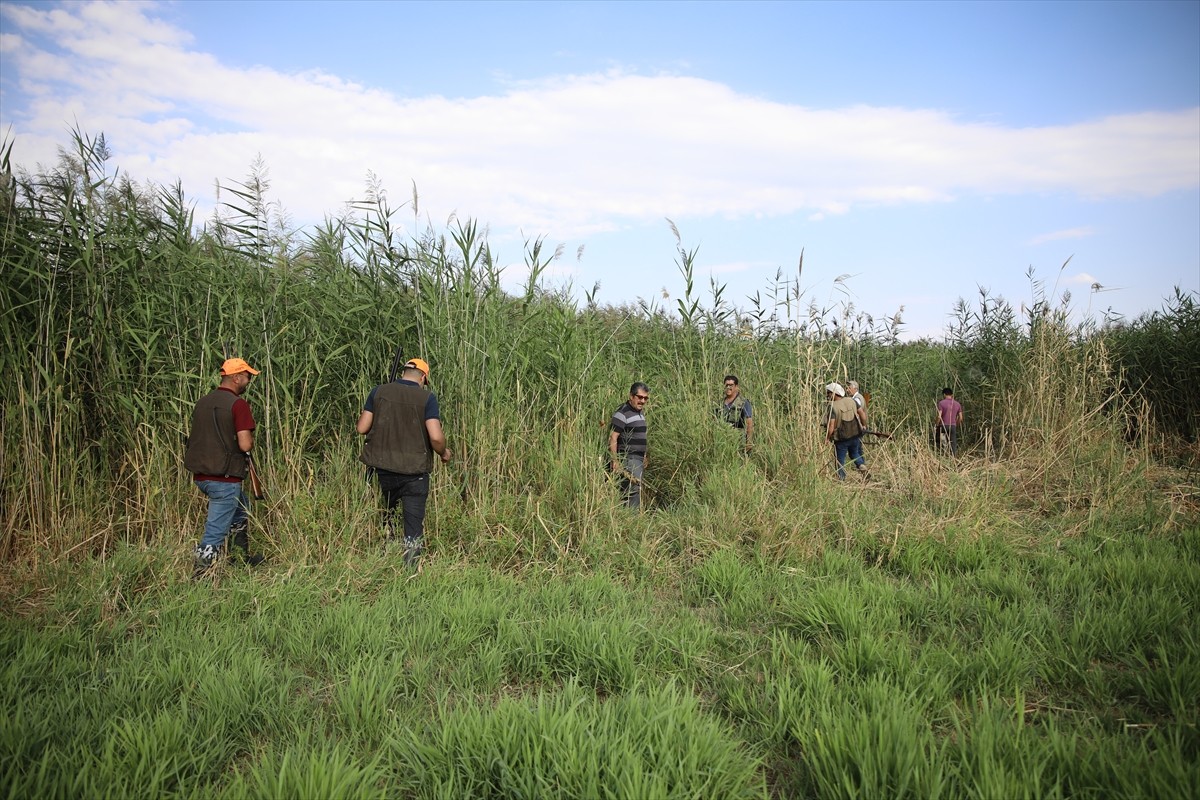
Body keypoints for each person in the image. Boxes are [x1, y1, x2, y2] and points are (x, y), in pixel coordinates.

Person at [357, 358, 451, 570]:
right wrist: (444, 452)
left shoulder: (378, 391)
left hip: (381, 469)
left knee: (385, 516)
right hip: (414, 471)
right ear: (423, 378)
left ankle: (381, 560)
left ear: (403, 373)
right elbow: (435, 437)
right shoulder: (427, 398)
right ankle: (410, 567)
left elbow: (362, 428)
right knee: (413, 524)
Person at [183, 357, 265, 577]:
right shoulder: (238, 405)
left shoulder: (203, 402)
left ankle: (240, 558)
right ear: (236, 377)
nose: (248, 381)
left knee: (241, 508)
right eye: (247, 376)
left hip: (202, 475)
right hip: (224, 478)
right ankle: (201, 574)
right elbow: (245, 444)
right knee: (215, 529)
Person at [609, 382, 649, 508]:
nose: (642, 401)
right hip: (628, 458)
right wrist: (615, 459)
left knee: (634, 490)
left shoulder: (639, 413)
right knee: (632, 491)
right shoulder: (622, 413)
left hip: (637, 459)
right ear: (631, 396)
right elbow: (613, 437)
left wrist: (644, 455)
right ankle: (632, 520)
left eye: (645, 398)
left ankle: (630, 520)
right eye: (639, 397)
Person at [825, 382, 869, 480]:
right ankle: (861, 465)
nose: (827, 395)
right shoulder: (852, 401)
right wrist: (864, 425)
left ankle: (841, 479)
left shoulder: (833, 406)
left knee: (839, 459)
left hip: (842, 438)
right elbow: (862, 414)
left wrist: (827, 438)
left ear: (834, 393)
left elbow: (831, 426)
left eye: (828, 393)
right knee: (854, 453)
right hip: (855, 434)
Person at [715, 375, 754, 451]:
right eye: (727, 385)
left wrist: (749, 442)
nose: (728, 387)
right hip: (722, 442)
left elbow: (749, 423)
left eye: (731, 385)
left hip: (738, 442)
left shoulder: (743, 403)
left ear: (736, 386)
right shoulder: (719, 403)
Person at [935, 387, 963, 455]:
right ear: (952, 394)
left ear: (944, 394)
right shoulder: (957, 404)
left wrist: (937, 424)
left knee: (938, 439)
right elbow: (961, 417)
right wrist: (956, 424)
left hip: (943, 426)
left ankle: (940, 453)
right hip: (952, 426)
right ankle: (953, 458)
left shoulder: (941, 403)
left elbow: (939, 416)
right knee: (953, 442)